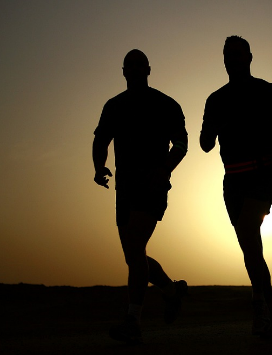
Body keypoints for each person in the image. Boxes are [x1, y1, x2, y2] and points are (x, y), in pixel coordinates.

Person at [200, 36, 272, 338]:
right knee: (250, 246)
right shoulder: (215, 100)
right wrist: (213, 129)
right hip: (232, 179)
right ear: (223, 60)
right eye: (226, 55)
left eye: (236, 54)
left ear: (249, 57)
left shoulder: (271, 92)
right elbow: (206, 145)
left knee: (248, 230)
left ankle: (258, 305)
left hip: (264, 174)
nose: (231, 59)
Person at [92, 49, 189, 344]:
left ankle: (133, 320)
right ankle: (172, 292)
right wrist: (99, 168)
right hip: (126, 189)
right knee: (134, 255)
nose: (134, 69)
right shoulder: (114, 106)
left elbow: (182, 144)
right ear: (123, 71)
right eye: (129, 65)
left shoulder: (165, 104)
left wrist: (164, 170)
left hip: (153, 186)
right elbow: (101, 139)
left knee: (135, 247)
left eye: (139, 65)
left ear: (149, 69)